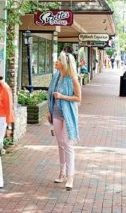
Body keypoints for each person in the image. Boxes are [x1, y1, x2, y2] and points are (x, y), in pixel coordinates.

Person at [47, 51, 81, 191]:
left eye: (58, 61)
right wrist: (49, 111)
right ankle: (61, 173)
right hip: (55, 112)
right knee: (60, 143)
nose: (56, 62)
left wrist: (62, 96)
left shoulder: (72, 78)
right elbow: (50, 95)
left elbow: (78, 98)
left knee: (68, 145)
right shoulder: (55, 76)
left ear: (64, 64)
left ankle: (70, 176)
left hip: (68, 114)